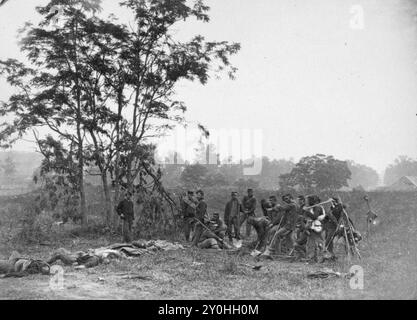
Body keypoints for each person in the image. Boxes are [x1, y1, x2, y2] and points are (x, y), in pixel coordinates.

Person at [303, 195, 326, 262]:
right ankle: (313, 258)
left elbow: (315, 217)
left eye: (307, 201)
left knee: (318, 243)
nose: (306, 202)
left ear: (311, 201)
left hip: (317, 227)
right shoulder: (311, 208)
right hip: (312, 227)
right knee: (311, 243)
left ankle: (320, 258)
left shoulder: (318, 207)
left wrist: (307, 212)